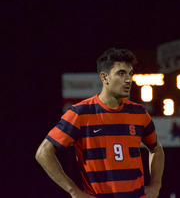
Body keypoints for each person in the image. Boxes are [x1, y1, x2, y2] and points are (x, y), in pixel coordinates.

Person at [35, 48, 165, 198]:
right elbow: (43, 153)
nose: (128, 79)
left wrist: (156, 185)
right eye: (121, 73)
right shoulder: (80, 112)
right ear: (104, 77)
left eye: (130, 73)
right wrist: (74, 191)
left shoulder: (139, 113)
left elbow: (156, 149)